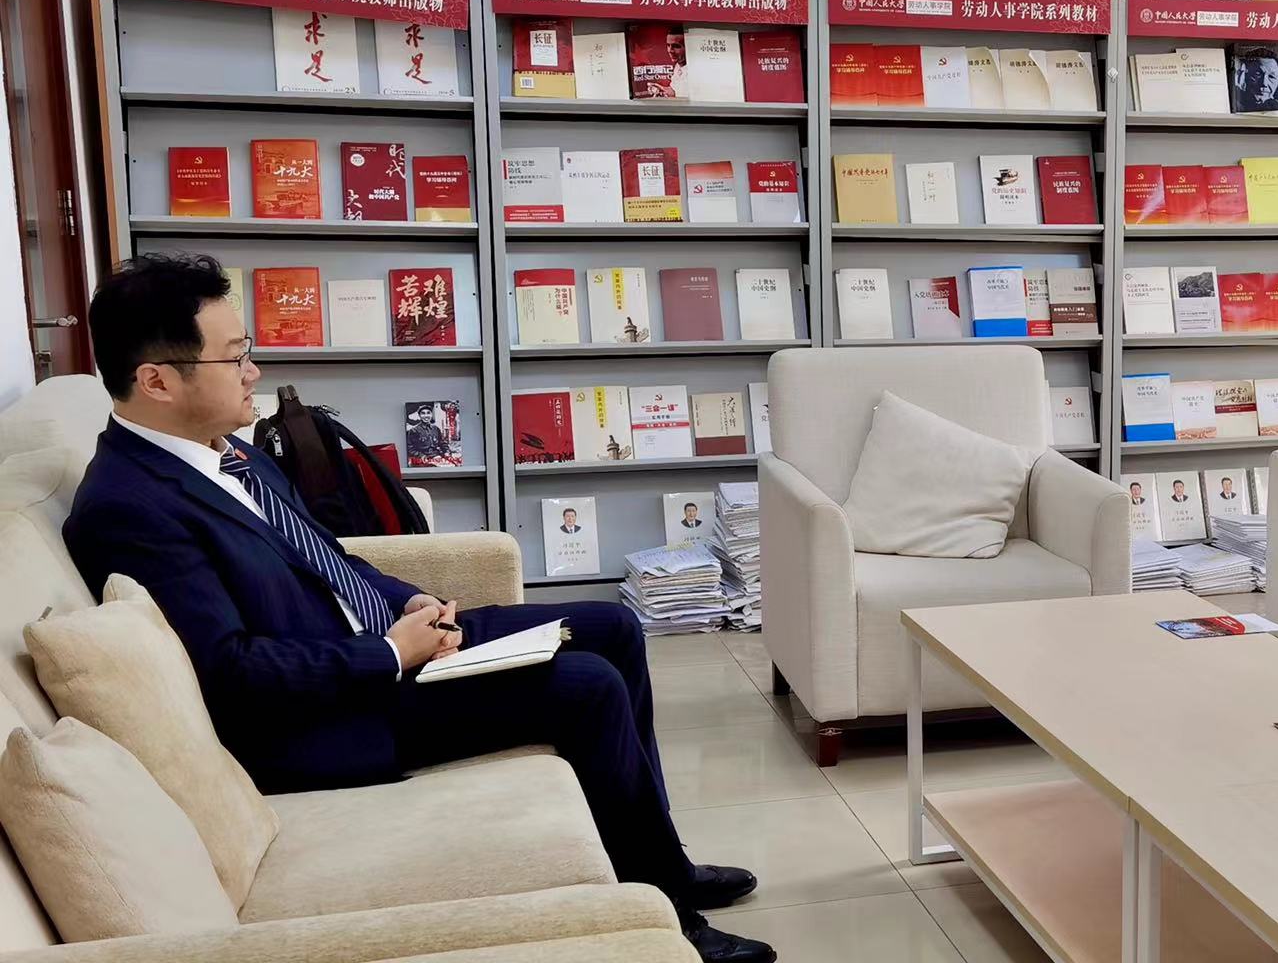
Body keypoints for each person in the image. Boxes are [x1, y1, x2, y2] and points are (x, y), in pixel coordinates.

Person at [62, 254, 776, 963]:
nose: (253, 372)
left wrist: (407, 600)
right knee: (587, 687)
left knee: (612, 626)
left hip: (385, 648)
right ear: (157, 380)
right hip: (330, 713)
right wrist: (390, 653)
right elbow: (231, 672)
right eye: (235, 357)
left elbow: (327, 556)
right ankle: (671, 915)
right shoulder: (127, 508)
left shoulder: (228, 453)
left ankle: (662, 858)